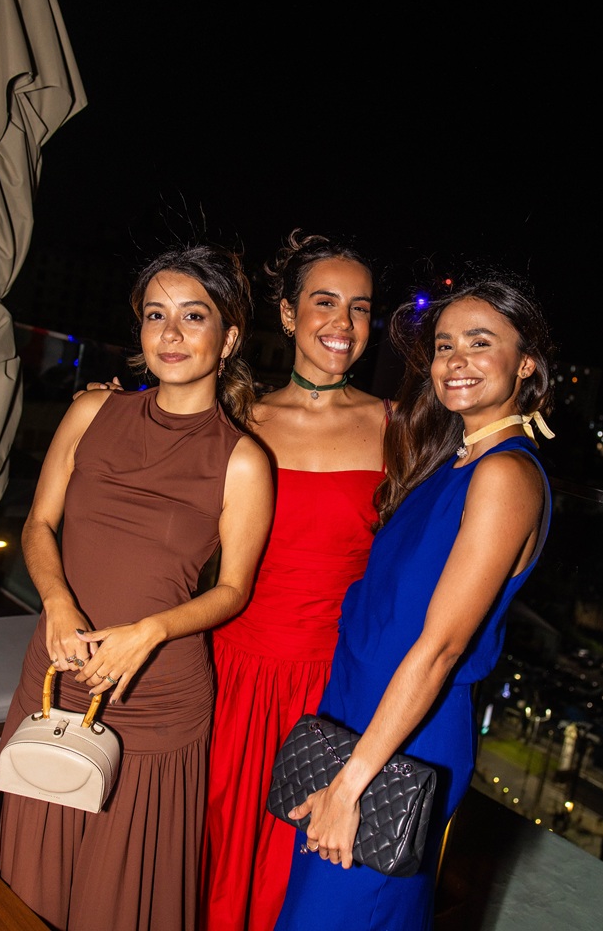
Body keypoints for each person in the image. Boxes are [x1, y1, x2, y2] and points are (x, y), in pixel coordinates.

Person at [0, 242, 274, 931]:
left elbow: (233, 591)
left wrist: (154, 630)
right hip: (56, 670)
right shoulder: (90, 414)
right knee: (25, 879)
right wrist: (56, 604)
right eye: (155, 315)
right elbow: (39, 525)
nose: (170, 334)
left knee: (120, 891)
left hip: (158, 700)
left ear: (227, 338)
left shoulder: (244, 460)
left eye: (193, 316)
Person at [274, 271, 556, 931]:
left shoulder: (506, 475)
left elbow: (441, 648)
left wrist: (351, 785)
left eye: (480, 343)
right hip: (357, 719)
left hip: (402, 742)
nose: (456, 361)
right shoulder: (451, 461)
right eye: (446, 345)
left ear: (526, 365)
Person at [201, 230, 391, 930]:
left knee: (295, 873)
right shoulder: (235, 417)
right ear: (287, 314)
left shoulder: (398, 427)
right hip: (231, 672)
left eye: (361, 308)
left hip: (333, 689)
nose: (343, 324)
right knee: (210, 852)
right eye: (324, 302)